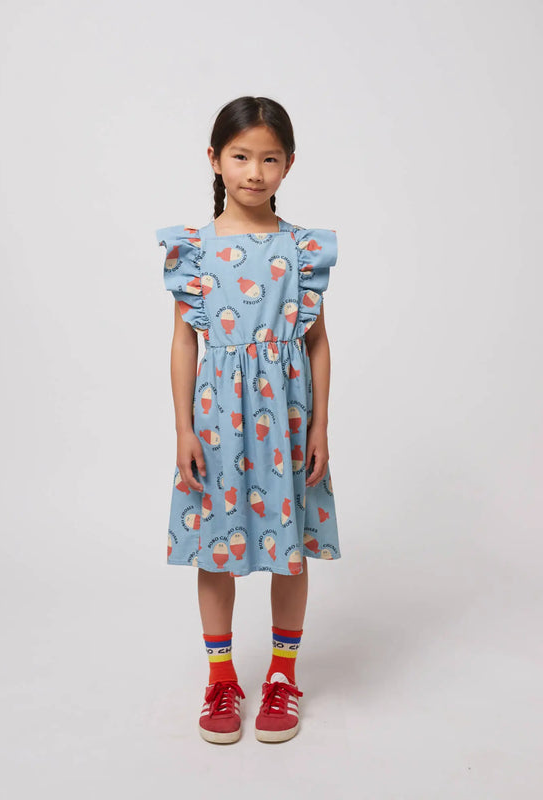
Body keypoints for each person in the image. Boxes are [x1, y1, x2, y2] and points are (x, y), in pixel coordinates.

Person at [155, 96, 340, 744]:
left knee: (290, 554)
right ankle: (221, 678)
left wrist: (319, 427)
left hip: (287, 418)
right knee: (216, 548)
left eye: (270, 158)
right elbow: (185, 342)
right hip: (218, 423)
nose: (255, 172)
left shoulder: (302, 248)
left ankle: (283, 674)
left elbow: (317, 342)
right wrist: (183, 429)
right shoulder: (195, 250)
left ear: (288, 164)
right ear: (215, 159)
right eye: (241, 156)